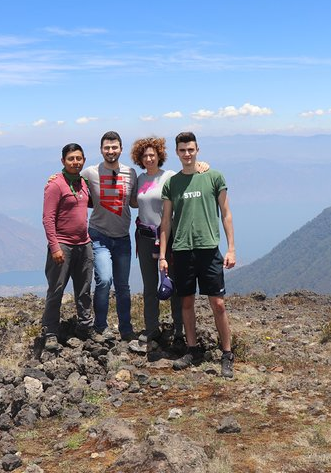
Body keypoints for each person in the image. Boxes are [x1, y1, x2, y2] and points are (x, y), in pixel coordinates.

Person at [159, 131, 237, 378]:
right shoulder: (172, 183)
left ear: (197, 149)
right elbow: (166, 222)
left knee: (218, 303)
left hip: (209, 248)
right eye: (182, 150)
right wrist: (163, 255)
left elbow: (226, 213)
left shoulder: (213, 177)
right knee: (186, 302)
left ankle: (227, 353)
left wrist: (231, 248)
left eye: (190, 149)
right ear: (177, 152)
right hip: (182, 250)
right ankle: (193, 350)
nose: (187, 154)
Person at [81, 131, 138, 341]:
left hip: (122, 237)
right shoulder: (90, 172)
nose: (111, 151)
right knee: (104, 280)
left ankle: (126, 328)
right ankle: (100, 326)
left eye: (114, 147)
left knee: (123, 286)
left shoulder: (130, 173)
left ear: (121, 149)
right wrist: (56, 176)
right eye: (107, 147)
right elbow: (71, 181)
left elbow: (134, 201)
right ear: (101, 149)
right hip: (98, 235)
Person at [41, 143, 94, 351]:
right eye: (71, 158)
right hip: (63, 245)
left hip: (84, 243)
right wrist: (55, 247)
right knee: (56, 289)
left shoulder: (83, 182)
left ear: (84, 160)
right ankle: (51, 332)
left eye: (79, 158)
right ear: (63, 161)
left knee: (84, 289)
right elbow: (48, 218)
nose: (75, 162)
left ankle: (84, 327)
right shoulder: (55, 185)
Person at [130, 137, 184, 344]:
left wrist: (203, 167)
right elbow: (134, 202)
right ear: (140, 159)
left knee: (173, 283)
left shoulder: (169, 176)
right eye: (145, 155)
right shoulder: (140, 179)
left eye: (153, 154)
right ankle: (151, 327)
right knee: (149, 285)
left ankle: (179, 327)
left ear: (159, 156)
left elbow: (190, 176)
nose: (149, 158)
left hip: (167, 237)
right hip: (144, 238)